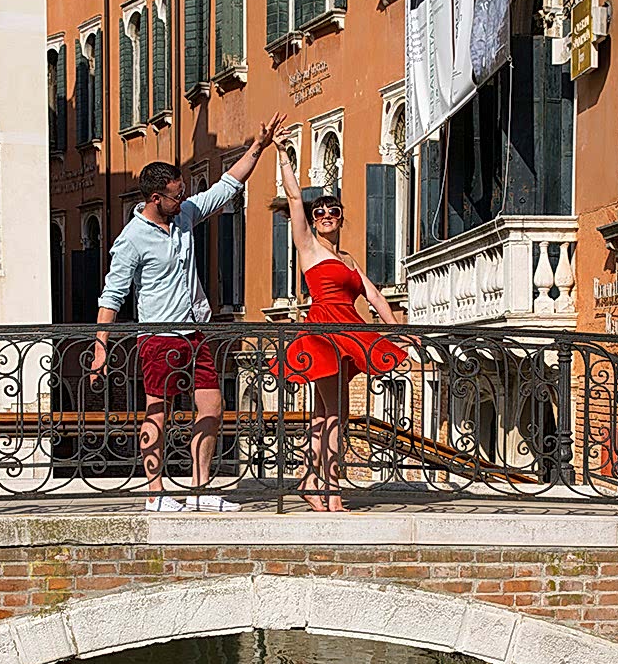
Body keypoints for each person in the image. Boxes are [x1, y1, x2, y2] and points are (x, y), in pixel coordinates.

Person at [91, 113, 284, 512]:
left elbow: (228, 185)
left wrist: (259, 145)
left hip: (194, 331)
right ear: (155, 198)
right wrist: (99, 348)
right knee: (158, 411)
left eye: (183, 194)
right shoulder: (131, 240)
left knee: (211, 405)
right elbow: (111, 296)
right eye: (176, 195)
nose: (183, 200)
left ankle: (200, 490)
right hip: (157, 336)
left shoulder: (185, 217)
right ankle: (155, 493)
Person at [271, 150, 406, 512]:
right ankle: (330, 489)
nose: (326, 216)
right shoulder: (308, 247)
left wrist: (395, 331)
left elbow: (374, 295)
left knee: (327, 413)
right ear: (313, 221)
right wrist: (283, 155)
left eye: (332, 212)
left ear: (342, 218)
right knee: (335, 412)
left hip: (349, 333)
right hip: (323, 334)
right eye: (320, 213)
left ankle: (309, 479)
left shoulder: (348, 260)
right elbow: (296, 198)